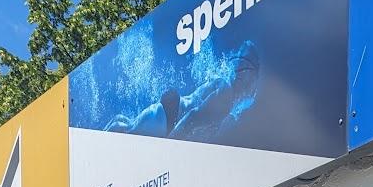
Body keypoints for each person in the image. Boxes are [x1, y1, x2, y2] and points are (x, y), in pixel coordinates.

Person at [103, 40, 261, 140]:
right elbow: (191, 119)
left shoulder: (222, 86)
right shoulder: (226, 93)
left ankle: (97, 140)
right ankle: (93, 149)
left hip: (166, 113)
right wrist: (170, 146)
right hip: (169, 119)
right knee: (126, 140)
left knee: (127, 126)